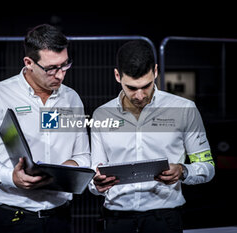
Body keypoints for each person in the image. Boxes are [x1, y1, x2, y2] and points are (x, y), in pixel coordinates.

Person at [0, 24, 90, 233]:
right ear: (29, 62)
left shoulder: (72, 99)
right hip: (12, 217)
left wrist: (68, 167)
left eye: (65, 65)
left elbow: (83, 154)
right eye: (51, 68)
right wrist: (10, 176)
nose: (60, 75)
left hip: (59, 217)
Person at [89, 40, 215, 233]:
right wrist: (96, 183)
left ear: (156, 72)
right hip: (116, 219)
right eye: (131, 88)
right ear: (117, 76)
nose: (140, 95)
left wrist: (183, 171)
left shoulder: (184, 109)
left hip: (165, 218)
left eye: (146, 86)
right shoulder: (101, 115)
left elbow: (208, 168)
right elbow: (93, 175)